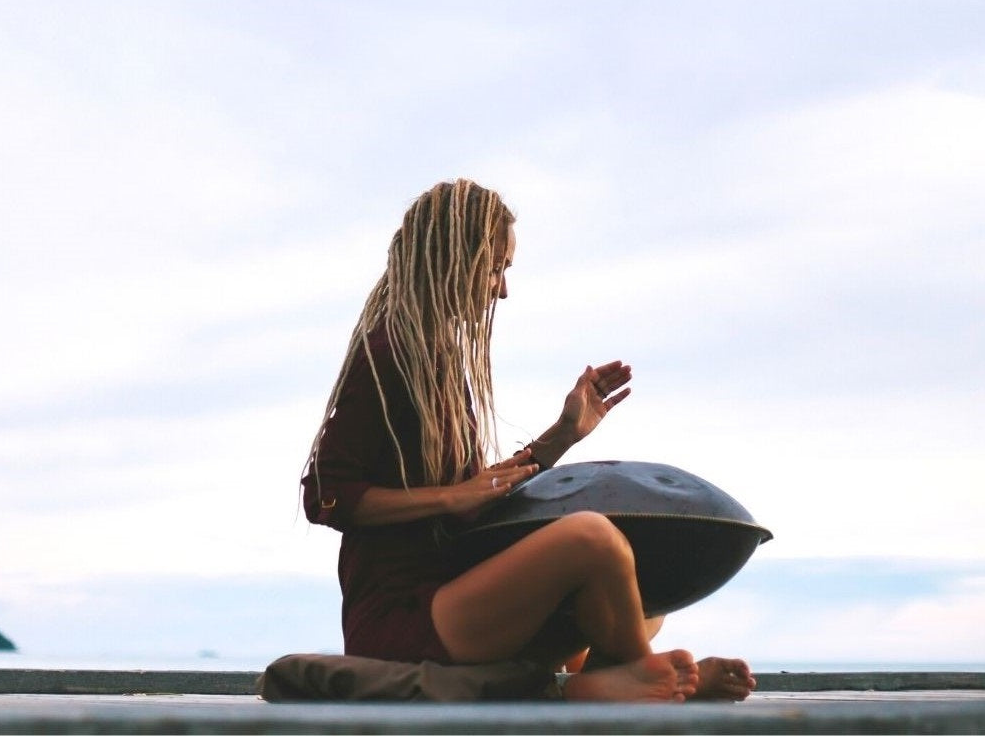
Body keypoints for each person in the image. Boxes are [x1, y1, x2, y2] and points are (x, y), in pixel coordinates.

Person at [301, 179, 754, 702]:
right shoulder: (387, 354)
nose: (501, 289)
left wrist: (562, 435)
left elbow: (480, 496)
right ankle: (638, 678)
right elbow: (324, 495)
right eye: (496, 268)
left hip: (459, 600)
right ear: (454, 258)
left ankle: (605, 684)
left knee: (647, 594)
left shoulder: (438, 364)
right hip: (406, 618)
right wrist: (453, 496)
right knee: (592, 538)